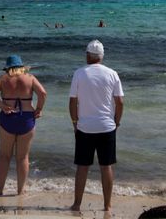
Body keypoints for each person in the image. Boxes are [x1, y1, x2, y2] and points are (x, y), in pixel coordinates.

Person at [69, 40, 123, 212]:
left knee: (82, 167)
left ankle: (77, 204)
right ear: (101, 56)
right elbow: (120, 101)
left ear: (87, 55)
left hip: (85, 127)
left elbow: (72, 101)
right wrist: (117, 121)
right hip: (107, 126)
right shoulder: (112, 73)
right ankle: (107, 205)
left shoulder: (79, 73)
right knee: (106, 166)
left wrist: (75, 122)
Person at [0, 55, 47, 196]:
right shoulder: (30, 78)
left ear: (8, 67)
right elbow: (43, 93)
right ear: (21, 67)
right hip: (26, 118)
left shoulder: (3, 79)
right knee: (23, 157)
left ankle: (0, 190)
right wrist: (39, 109)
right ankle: (20, 191)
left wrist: (2, 106)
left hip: (8, 118)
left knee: (4, 156)